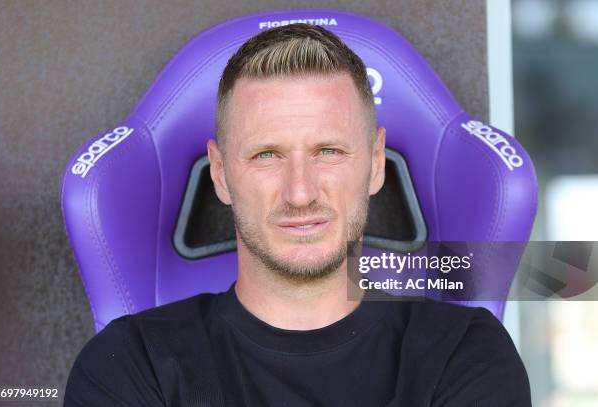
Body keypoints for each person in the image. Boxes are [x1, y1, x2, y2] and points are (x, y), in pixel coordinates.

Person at [64, 24, 531, 406]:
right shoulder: (129, 364)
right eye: (267, 155)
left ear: (373, 163)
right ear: (222, 174)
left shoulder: (466, 354)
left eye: (328, 151)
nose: (301, 192)